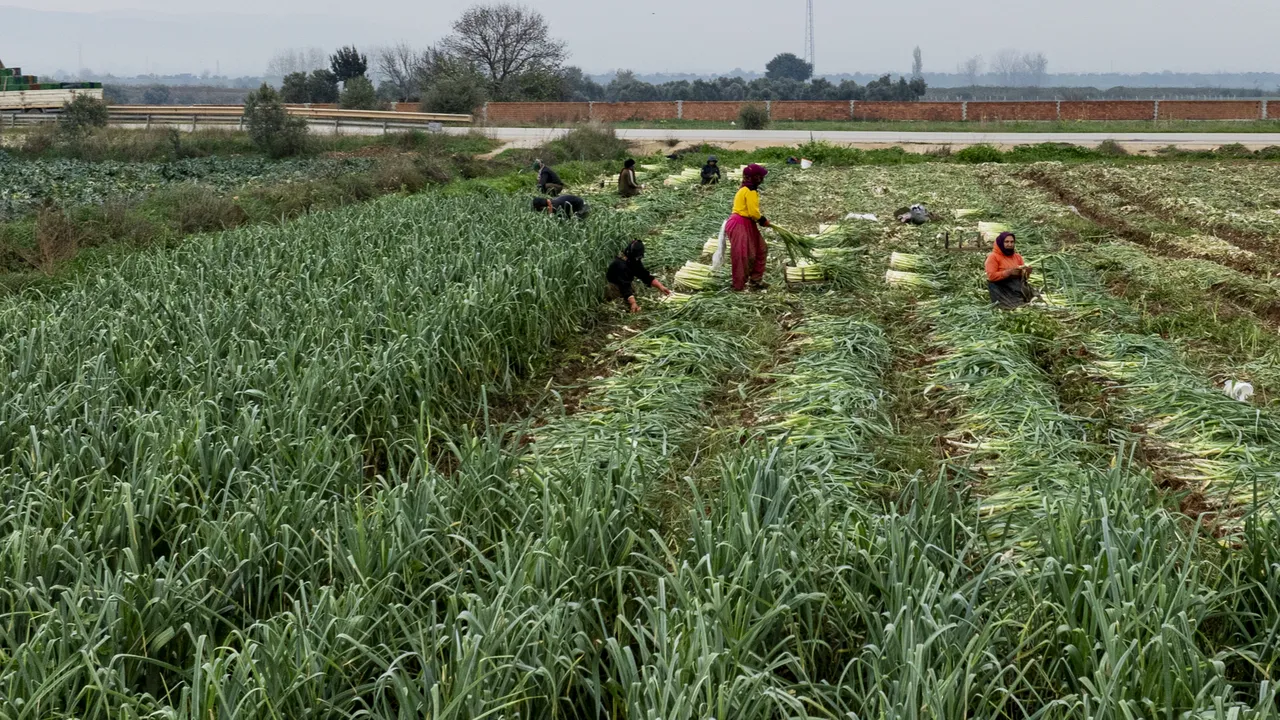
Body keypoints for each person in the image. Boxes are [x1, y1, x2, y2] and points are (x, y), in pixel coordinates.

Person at [725, 163, 770, 291]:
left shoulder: (746, 188)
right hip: (739, 223)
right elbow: (753, 212)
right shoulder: (749, 190)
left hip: (747, 223)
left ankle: (755, 280)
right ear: (755, 177)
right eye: (760, 176)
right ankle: (738, 286)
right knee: (742, 255)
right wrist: (763, 220)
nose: (762, 179)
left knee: (761, 249)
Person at [606, 238, 671, 313]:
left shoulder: (633, 260)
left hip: (625, 283)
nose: (638, 259)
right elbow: (624, 285)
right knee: (621, 305)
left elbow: (644, 275)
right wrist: (633, 303)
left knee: (631, 295)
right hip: (615, 286)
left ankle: (630, 301)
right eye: (637, 257)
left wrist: (661, 286)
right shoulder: (620, 264)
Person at [986, 231, 1035, 309]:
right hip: (1002, 289)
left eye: (1012, 242)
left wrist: (1027, 272)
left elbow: (1024, 278)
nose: (1010, 244)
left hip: (1016, 288)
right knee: (1015, 307)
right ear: (1000, 243)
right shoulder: (993, 257)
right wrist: (1007, 273)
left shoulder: (1017, 257)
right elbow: (991, 276)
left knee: (1033, 301)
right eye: (1006, 242)